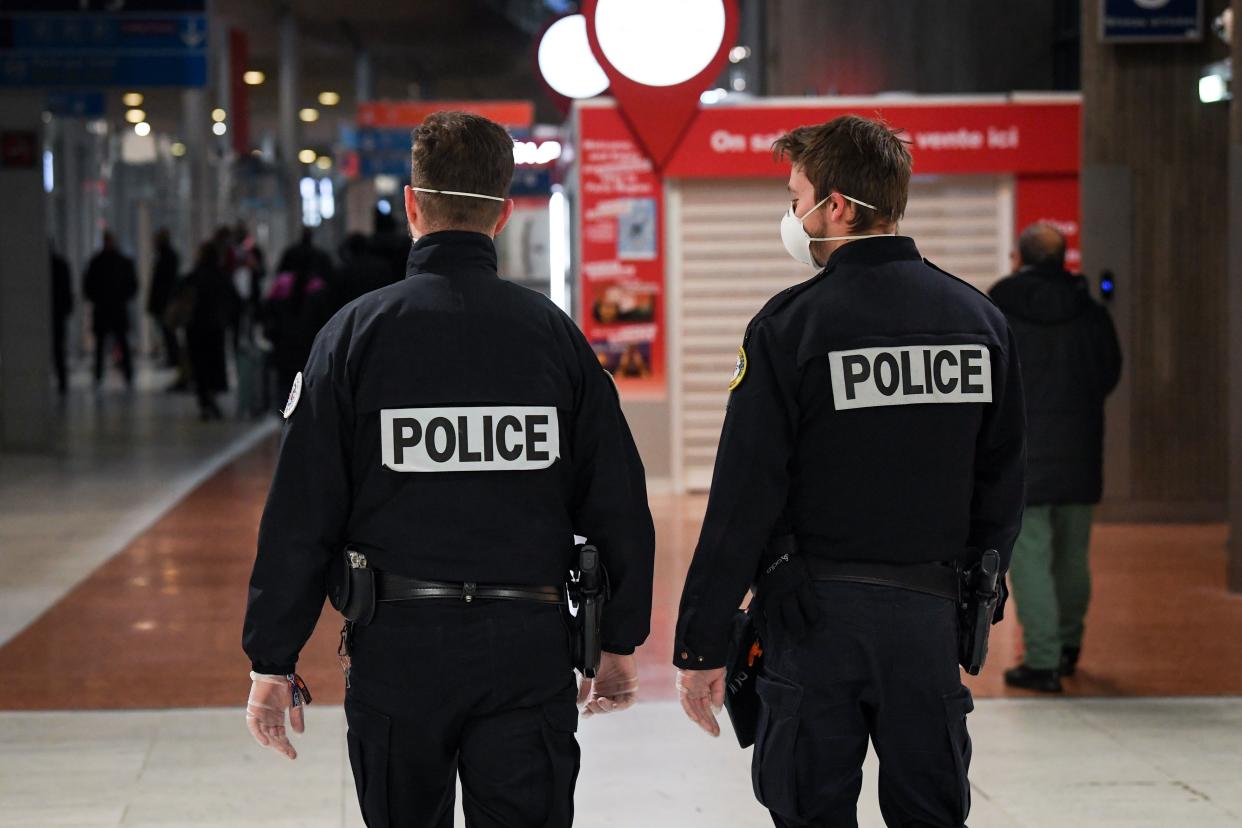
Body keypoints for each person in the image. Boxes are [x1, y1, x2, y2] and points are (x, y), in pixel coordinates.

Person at [241, 111, 655, 827]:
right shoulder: (554, 339)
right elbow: (618, 499)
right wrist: (619, 638)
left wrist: (271, 658)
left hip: (399, 651)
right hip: (526, 649)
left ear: (411, 204)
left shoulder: (354, 337)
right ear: (506, 211)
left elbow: (301, 513)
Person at [672, 115, 1026, 828]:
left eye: (796, 196)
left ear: (837, 206)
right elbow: (1004, 481)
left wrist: (702, 642)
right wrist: (974, 602)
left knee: (808, 807)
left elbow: (745, 495)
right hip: (928, 622)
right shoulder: (979, 322)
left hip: (813, 625)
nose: (792, 214)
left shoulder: (790, 327)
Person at [990, 223, 1122, 693]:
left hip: (1025, 452)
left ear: (1018, 258)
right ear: (1064, 256)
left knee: (1029, 555)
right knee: (1073, 556)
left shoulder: (999, 305)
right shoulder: (1089, 311)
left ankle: (1042, 660)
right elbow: (1109, 371)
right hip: (1082, 450)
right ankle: (1068, 648)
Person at [261, 231, 336, 398]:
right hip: (309, 344)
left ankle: (285, 415)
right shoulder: (318, 286)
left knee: (285, 384)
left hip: (284, 343)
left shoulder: (282, 284)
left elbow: (268, 310)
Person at [183, 242, 240, 420]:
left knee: (199, 365)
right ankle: (211, 397)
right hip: (215, 328)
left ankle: (205, 400)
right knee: (213, 364)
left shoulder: (194, 276)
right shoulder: (221, 277)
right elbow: (235, 301)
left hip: (195, 328)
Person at [82, 231, 138, 388]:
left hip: (110, 309)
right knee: (105, 345)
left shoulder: (100, 262)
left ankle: (122, 374)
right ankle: (105, 375)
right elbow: (88, 287)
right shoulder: (109, 262)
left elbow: (132, 286)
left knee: (114, 343)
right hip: (111, 309)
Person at [147, 228, 181, 369]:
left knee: (169, 332)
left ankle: (173, 358)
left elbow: (163, 283)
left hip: (165, 301)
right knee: (167, 332)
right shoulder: (164, 256)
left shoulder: (167, 256)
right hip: (164, 301)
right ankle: (171, 357)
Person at [50, 243, 73, 396]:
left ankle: (62, 380)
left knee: (58, 348)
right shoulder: (60, 265)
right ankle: (62, 380)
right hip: (58, 312)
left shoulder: (57, 266)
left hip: (56, 312)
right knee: (59, 348)